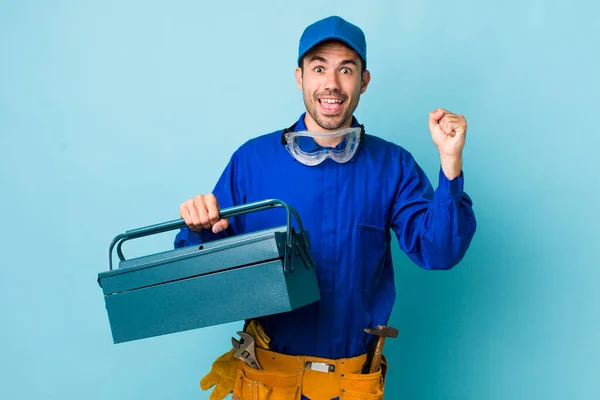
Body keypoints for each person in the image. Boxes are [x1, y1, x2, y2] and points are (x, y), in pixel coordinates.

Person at [175, 15, 476, 400]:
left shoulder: (393, 166)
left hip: (351, 387)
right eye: (318, 68)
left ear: (363, 81)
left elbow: (440, 251)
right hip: (268, 384)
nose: (331, 84)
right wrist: (198, 227)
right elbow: (197, 277)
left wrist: (450, 165)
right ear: (300, 77)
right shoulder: (252, 162)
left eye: (346, 70)